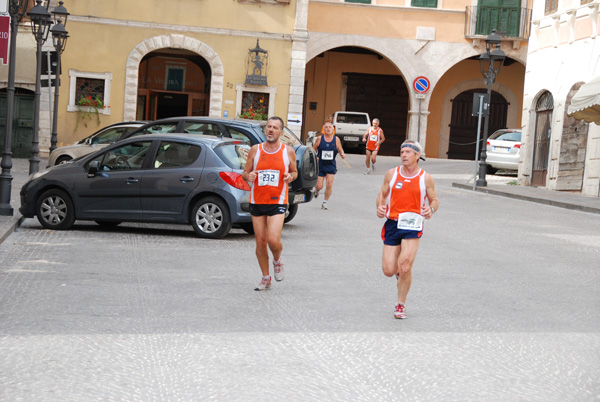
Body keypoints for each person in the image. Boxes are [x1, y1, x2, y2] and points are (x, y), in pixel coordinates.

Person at [376, 140, 439, 319]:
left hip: (413, 224)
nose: (404, 155)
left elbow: (434, 200)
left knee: (405, 265)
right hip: (393, 223)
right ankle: (400, 275)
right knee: (389, 270)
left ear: (417, 155)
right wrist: (380, 207)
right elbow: (382, 195)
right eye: (402, 151)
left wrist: (431, 209)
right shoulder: (392, 174)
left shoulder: (425, 177)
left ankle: (400, 304)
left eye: (408, 152)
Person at [242, 117, 298, 291]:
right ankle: (266, 278)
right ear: (265, 130)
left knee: (273, 240)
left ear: (281, 132)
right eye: (269, 127)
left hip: (278, 201)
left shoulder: (287, 152)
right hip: (257, 200)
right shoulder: (255, 150)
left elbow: (295, 172)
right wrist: (248, 176)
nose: (271, 130)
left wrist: (291, 177)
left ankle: (277, 260)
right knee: (260, 242)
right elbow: (245, 172)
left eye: (275, 127)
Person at [313, 121, 346, 210]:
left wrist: (342, 154)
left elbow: (340, 149)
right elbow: (313, 149)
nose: (328, 128)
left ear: (333, 129)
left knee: (329, 184)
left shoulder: (336, 139)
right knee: (319, 186)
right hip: (321, 164)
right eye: (326, 127)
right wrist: (315, 157)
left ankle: (325, 202)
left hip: (331, 165)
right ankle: (317, 190)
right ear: (324, 129)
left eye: (329, 127)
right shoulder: (320, 139)